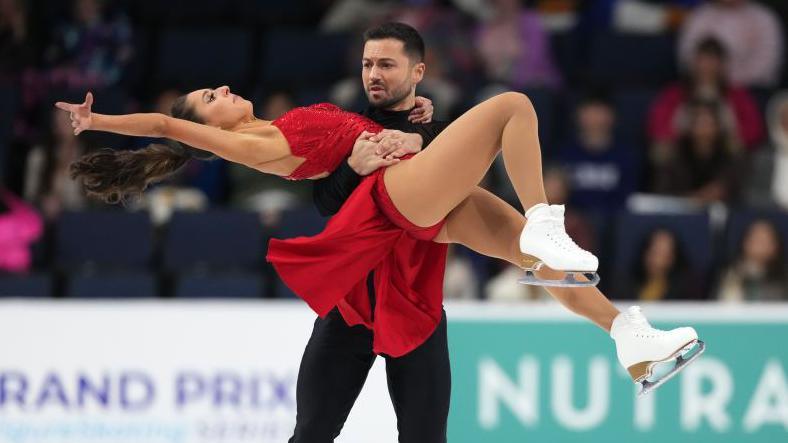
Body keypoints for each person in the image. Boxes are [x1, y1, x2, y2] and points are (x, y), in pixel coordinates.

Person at [56, 25, 703, 400]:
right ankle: (546, 218)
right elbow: (168, 121)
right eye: (211, 96)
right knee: (513, 107)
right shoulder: (249, 143)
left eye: (217, 87)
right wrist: (98, 120)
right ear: (206, 124)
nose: (223, 90)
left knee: (530, 258)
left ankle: (629, 340)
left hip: (409, 190)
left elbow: (353, 136)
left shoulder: (283, 119)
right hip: (393, 199)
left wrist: (409, 119)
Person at [303, 23, 452, 443]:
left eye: (386, 64)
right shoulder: (346, 132)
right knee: (311, 434)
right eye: (368, 64)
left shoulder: (442, 135)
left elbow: (461, 161)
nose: (373, 74)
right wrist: (354, 168)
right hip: (348, 306)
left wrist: (419, 136)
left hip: (415, 309)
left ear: (418, 71)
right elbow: (325, 205)